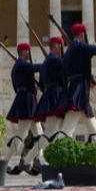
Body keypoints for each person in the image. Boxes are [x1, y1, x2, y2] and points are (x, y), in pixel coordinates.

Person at [24, 36, 68, 166]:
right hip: (55, 97)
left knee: (53, 132)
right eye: (60, 45)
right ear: (56, 45)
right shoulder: (56, 60)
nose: (61, 48)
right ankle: (29, 159)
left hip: (49, 95)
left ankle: (36, 159)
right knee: (50, 133)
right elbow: (66, 71)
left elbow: (42, 85)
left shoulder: (45, 63)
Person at [4, 43, 43, 175]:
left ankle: (37, 160)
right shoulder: (22, 64)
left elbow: (16, 87)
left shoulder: (17, 67)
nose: (29, 53)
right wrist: (51, 63)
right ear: (23, 51)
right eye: (27, 51)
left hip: (27, 99)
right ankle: (6, 161)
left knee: (39, 135)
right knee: (21, 135)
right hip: (27, 101)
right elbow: (36, 67)